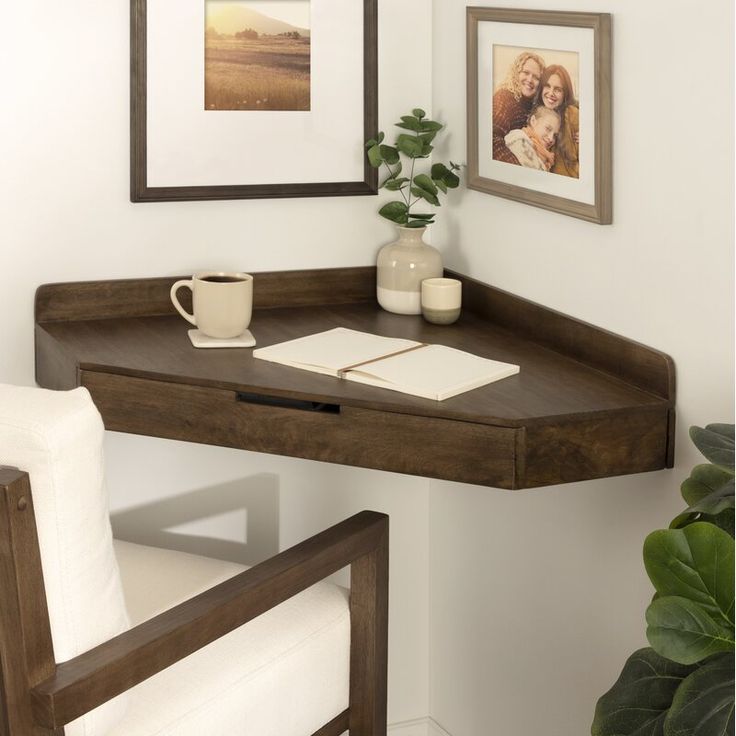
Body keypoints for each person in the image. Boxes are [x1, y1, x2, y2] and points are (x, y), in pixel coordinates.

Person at [492, 51, 545, 164]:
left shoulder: (535, 106)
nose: (530, 80)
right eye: (526, 72)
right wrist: (518, 169)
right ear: (516, 73)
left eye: (536, 77)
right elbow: (493, 138)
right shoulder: (503, 97)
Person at [532, 64, 579, 178]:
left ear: (565, 94)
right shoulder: (536, 114)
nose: (551, 93)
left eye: (558, 89)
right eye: (547, 86)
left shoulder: (572, 114)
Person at [504, 106, 561, 171]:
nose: (551, 138)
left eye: (555, 135)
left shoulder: (544, 157)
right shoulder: (519, 139)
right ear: (533, 121)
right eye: (548, 129)